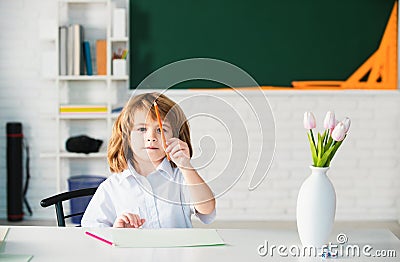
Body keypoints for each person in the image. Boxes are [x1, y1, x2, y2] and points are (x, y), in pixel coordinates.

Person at [81, 92, 216, 228]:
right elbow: (91, 230)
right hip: (132, 250)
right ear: (126, 136)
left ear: (176, 137)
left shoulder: (182, 178)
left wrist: (186, 166)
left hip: (176, 250)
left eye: (161, 129)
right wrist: (117, 231)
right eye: (142, 129)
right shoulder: (112, 187)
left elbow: (207, 209)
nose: (151, 137)